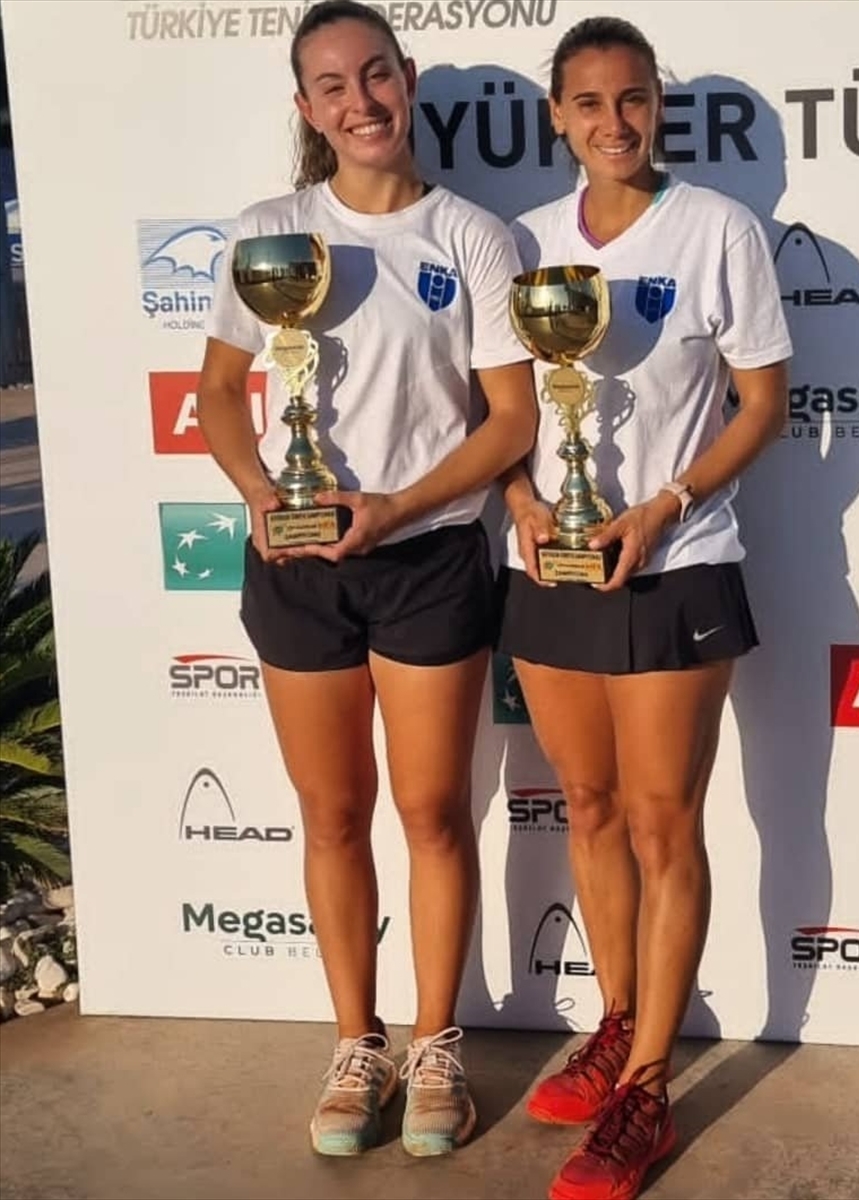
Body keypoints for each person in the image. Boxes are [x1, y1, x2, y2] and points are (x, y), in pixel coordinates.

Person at [197, 0, 536, 1161]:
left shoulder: (472, 236)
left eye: (377, 75)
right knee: (333, 815)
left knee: (432, 813)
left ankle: (437, 1046)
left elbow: (511, 421)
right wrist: (259, 492)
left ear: (409, 77)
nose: (361, 101)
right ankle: (357, 1044)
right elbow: (218, 393)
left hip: (428, 557)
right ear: (307, 108)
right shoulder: (270, 232)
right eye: (334, 86)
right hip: (295, 567)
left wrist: (395, 506)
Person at [498, 16, 792, 1200]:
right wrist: (521, 497)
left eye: (632, 99)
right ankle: (617, 1021)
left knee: (665, 821)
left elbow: (763, 403)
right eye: (588, 102)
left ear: (656, 106)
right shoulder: (526, 241)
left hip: (679, 563)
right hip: (552, 570)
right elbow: (501, 409)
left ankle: (651, 1087)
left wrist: (666, 505)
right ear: (556, 116)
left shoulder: (718, 227)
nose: (612, 121)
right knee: (589, 804)